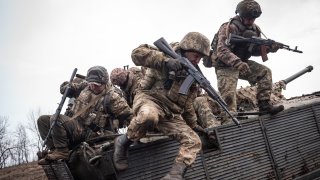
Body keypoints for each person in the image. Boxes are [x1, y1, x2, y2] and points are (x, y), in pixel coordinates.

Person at [113, 32, 211, 179]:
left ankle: (174, 175)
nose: (198, 61)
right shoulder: (166, 51)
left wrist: (195, 126)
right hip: (149, 99)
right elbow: (137, 54)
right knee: (148, 116)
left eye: (200, 58)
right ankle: (123, 142)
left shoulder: (193, 74)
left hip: (171, 113)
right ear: (186, 48)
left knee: (193, 141)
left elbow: (187, 105)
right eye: (196, 56)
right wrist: (165, 61)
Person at [37, 66, 133, 165]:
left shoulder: (113, 97)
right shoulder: (86, 86)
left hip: (90, 132)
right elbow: (69, 88)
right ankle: (55, 150)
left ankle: (63, 152)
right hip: (75, 125)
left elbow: (129, 115)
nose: (93, 87)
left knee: (56, 119)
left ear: (104, 83)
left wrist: (138, 131)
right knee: (42, 120)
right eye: (91, 84)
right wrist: (66, 87)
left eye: (97, 85)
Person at [211, 0, 284, 123]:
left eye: (253, 18)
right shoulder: (229, 27)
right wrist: (237, 63)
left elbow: (253, 50)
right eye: (248, 18)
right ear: (240, 15)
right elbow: (221, 50)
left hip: (242, 62)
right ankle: (228, 121)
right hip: (225, 66)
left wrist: (269, 49)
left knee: (265, 72)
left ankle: (264, 105)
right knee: (229, 97)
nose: (250, 21)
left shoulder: (256, 29)